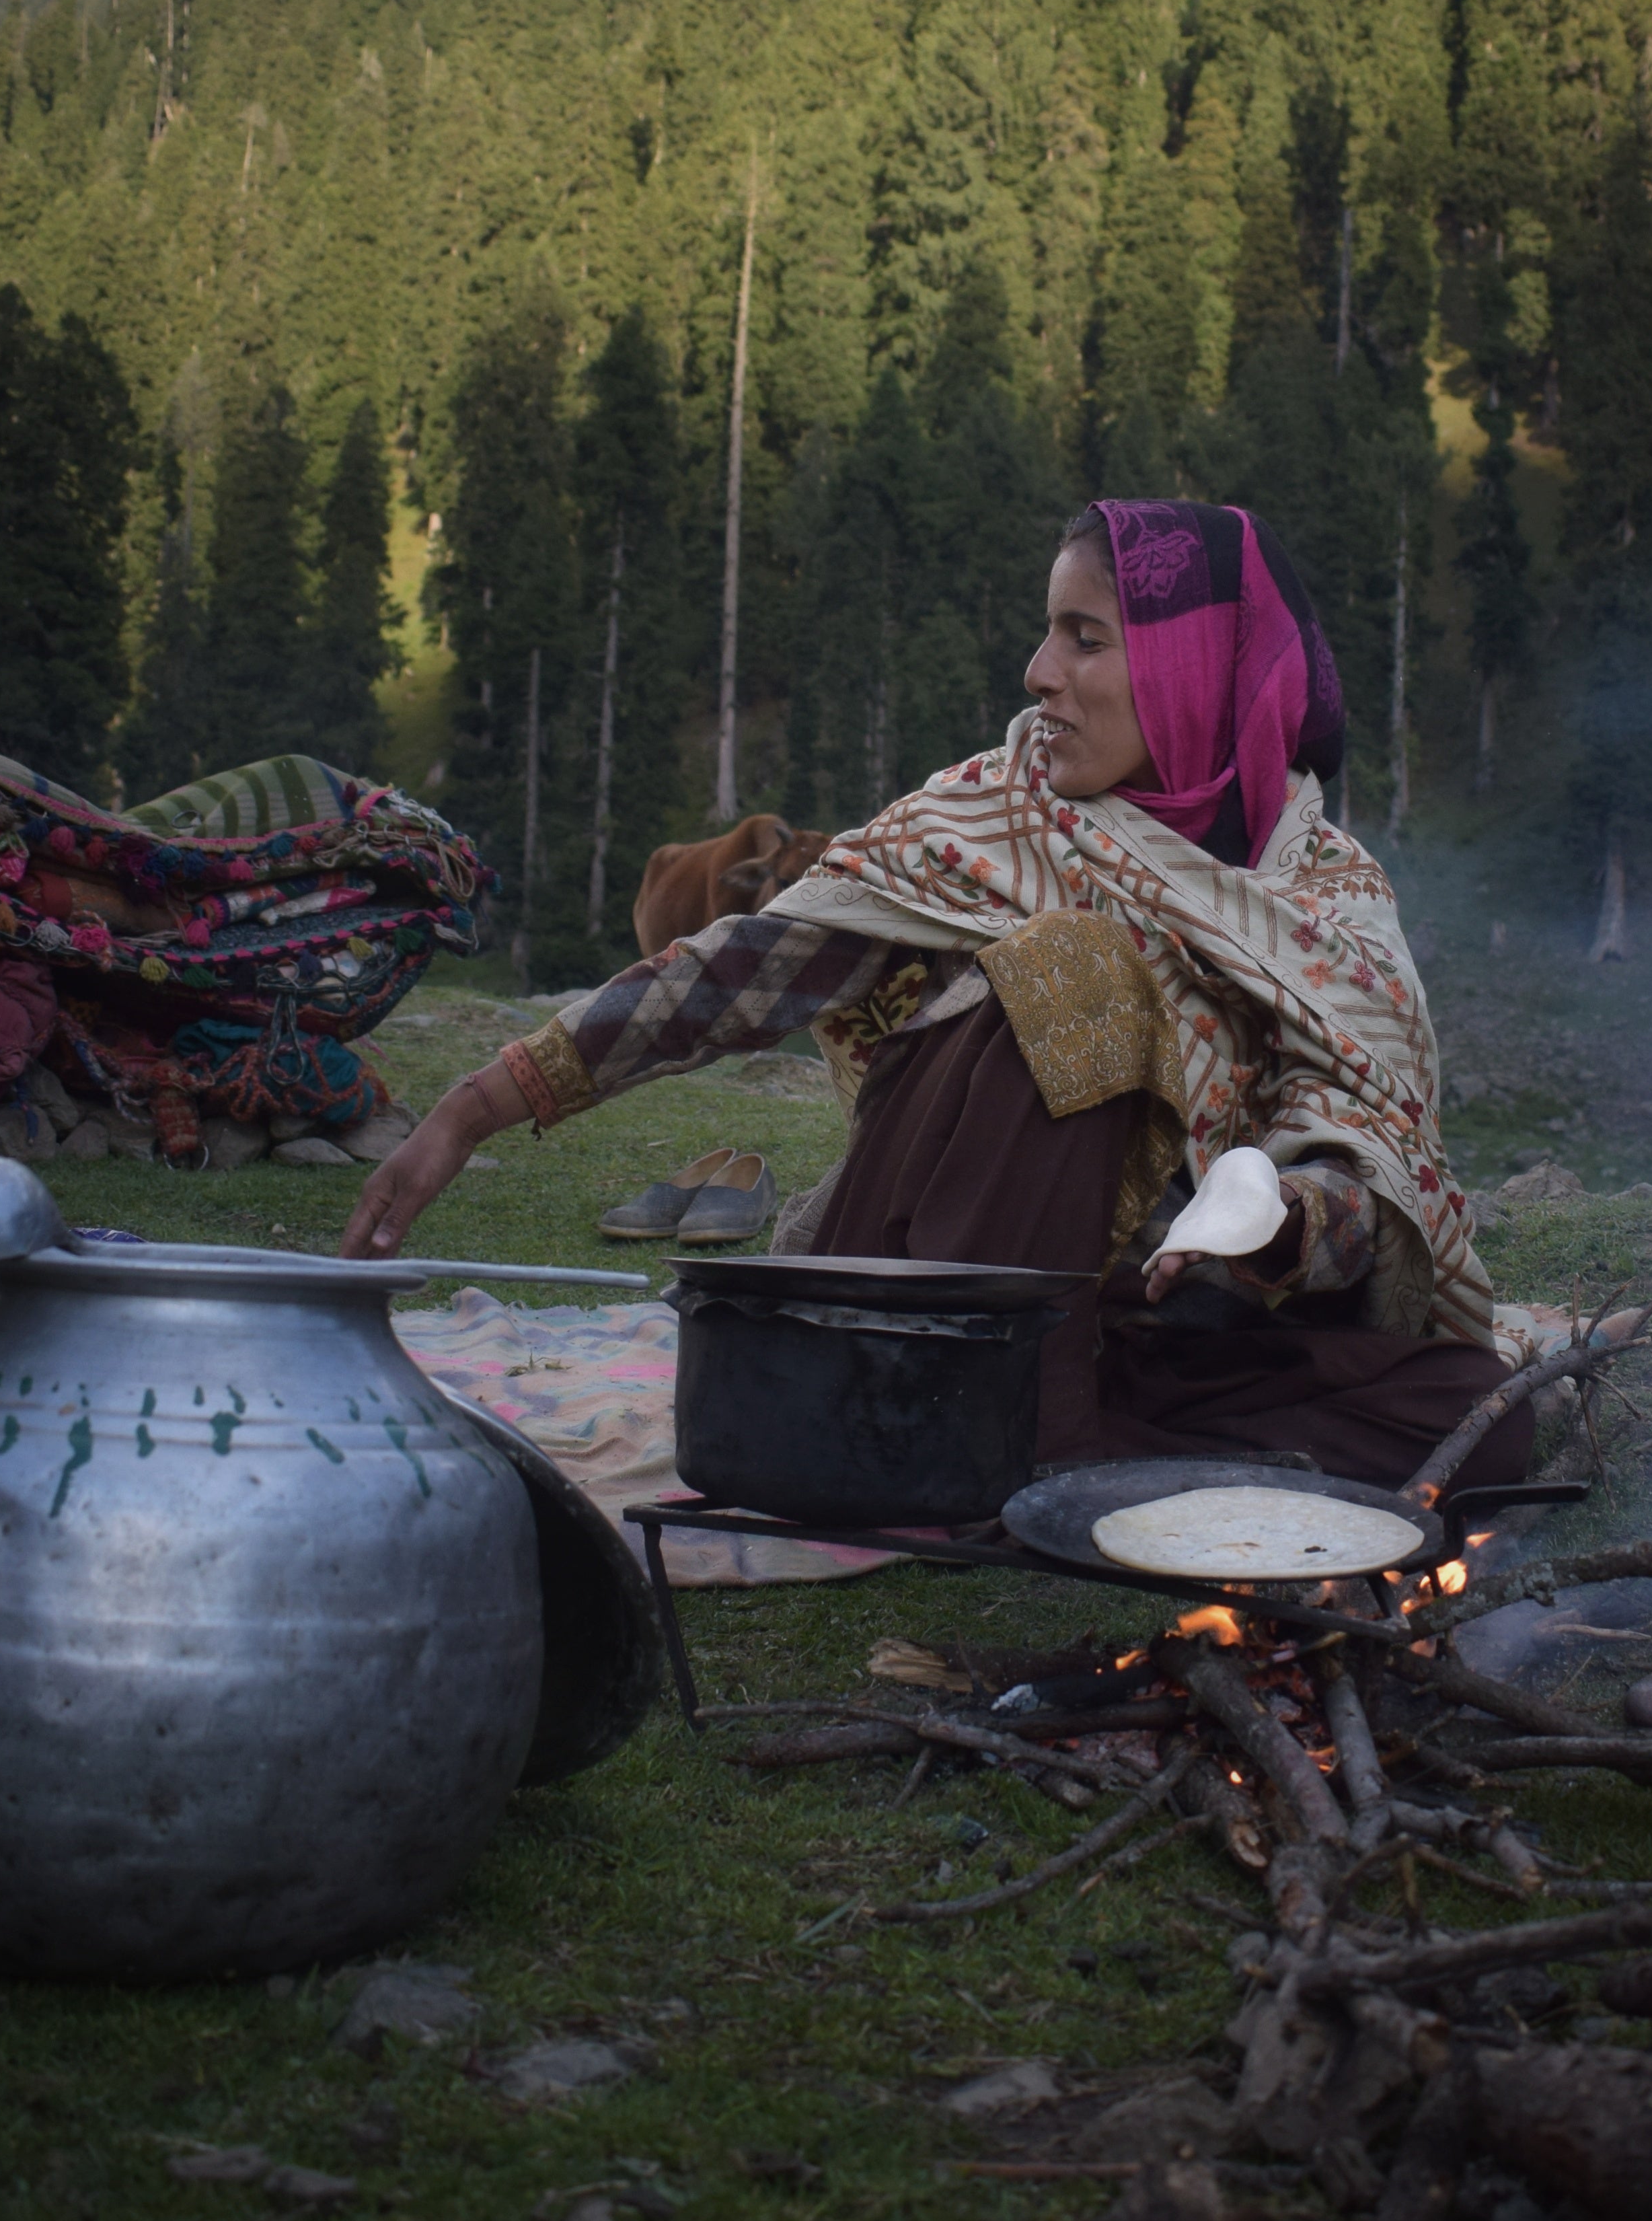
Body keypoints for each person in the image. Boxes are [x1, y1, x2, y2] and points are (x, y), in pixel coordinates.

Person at [344, 499, 1530, 1490]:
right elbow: (743, 971)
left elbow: (1370, 1180)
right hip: (923, 1302)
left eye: (1084, 639)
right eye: (1046, 635)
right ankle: (999, 1444)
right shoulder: (990, 814)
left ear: (1194, 671)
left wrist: (1274, 1217)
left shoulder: (1325, 893)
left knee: (1483, 1418)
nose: (1040, 674)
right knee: (1077, 965)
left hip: (1147, 1328)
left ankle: (1043, 1452)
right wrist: (479, 1108)